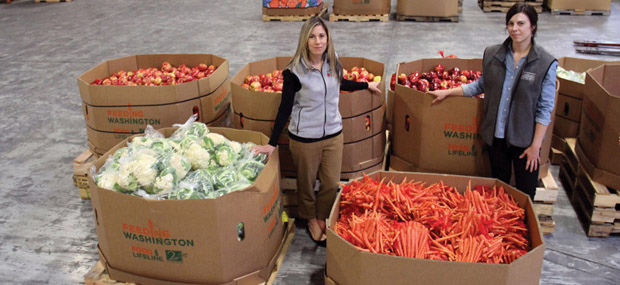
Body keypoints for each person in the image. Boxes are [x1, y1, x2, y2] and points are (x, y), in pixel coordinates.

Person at [252, 16, 381, 245]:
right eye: (312, 36)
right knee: (307, 184)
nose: (318, 41)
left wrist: (365, 85)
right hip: (304, 139)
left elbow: (342, 83)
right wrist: (272, 143)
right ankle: (310, 218)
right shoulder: (293, 71)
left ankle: (322, 216)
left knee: (331, 182)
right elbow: (285, 108)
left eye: (322, 36)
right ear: (305, 40)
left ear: (328, 38)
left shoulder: (333, 62)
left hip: (334, 135)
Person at [429, 3, 557, 200]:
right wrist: (447, 92)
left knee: (525, 194)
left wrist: (535, 147)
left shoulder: (545, 63)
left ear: (533, 27)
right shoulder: (493, 54)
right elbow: (480, 85)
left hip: (524, 140)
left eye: (521, 23)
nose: (515, 28)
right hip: (496, 138)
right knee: (499, 190)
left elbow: (545, 107)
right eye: (511, 23)